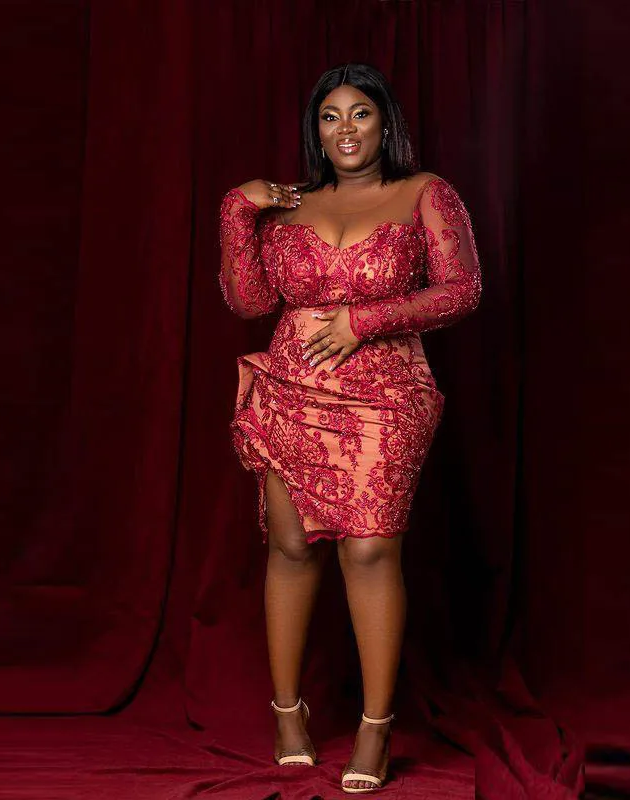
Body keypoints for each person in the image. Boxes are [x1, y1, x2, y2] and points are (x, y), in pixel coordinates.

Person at [218, 62, 481, 794]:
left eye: (359, 113)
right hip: (291, 386)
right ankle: (287, 712)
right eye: (329, 116)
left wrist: (363, 320)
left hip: (386, 390)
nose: (345, 129)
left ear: (384, 122)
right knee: (290, 547)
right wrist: (237, 210)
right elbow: (249, 302)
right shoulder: (290, 206)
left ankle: (375, 726)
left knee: (369, 548)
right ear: (316, 130)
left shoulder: (425, 193)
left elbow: (462, 289)